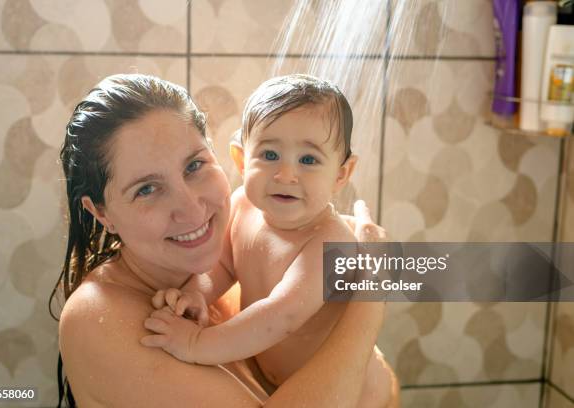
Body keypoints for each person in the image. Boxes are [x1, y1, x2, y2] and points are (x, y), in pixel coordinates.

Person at [51, 73, 394, 408]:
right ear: (101, 213)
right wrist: (371, 298)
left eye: (194, 165)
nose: (191, 207)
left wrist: (195, 294)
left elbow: (275, 312)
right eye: (147, 189)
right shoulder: (94, 318)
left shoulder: (202, 266)